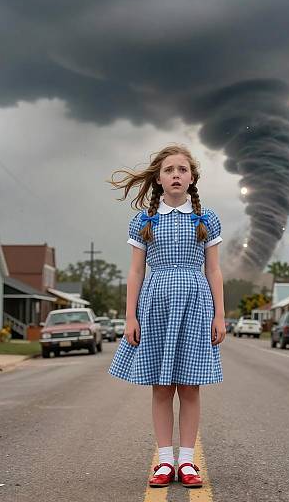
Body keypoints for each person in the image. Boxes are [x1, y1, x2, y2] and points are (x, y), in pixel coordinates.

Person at [107, 144, 226, 489]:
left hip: (195, 303)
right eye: (170, 170)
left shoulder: (205, 218)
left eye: (183, 170)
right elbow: (135, 273)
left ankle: (187, 462)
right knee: (161, 387)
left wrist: (220, 315)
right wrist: (130, 317)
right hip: (154, 304)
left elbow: (214, 271)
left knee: (189, 385)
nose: (176, 175)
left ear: (192, 178)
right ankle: (164, 462)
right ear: (158, 179)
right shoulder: (145, 220)